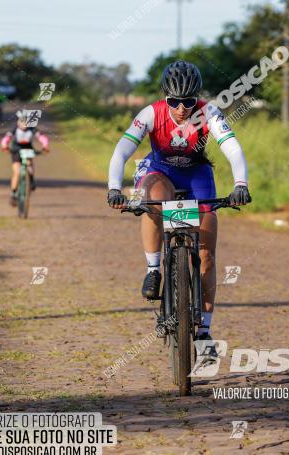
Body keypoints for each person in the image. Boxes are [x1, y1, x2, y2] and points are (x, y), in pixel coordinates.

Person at [106, 60, 251, 345]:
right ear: (165, 97)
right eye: (174, 101)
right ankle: (152, 269)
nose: (182, 108)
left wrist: (240, 184)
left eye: (188, 101)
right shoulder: (151, 113)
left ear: (196, 97)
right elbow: (121, 151)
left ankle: (205, 330)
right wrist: (113, 187)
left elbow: (232, 148)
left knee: (207, 255)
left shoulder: (208, 111)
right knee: (154, 202)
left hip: (197, 174)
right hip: (161, 172)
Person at [0, 111, 50, 205]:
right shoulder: (14, 128)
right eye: (22, 121)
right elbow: (6, 138)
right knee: (17, 172)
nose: (24, 124)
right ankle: (13, 193)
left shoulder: (32, 129)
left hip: (28, 149)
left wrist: (45, 146)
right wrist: (4, 146)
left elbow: (42, 137)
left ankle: (31, 181)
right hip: (16, 150)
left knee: (29, 166)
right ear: (18, 122)